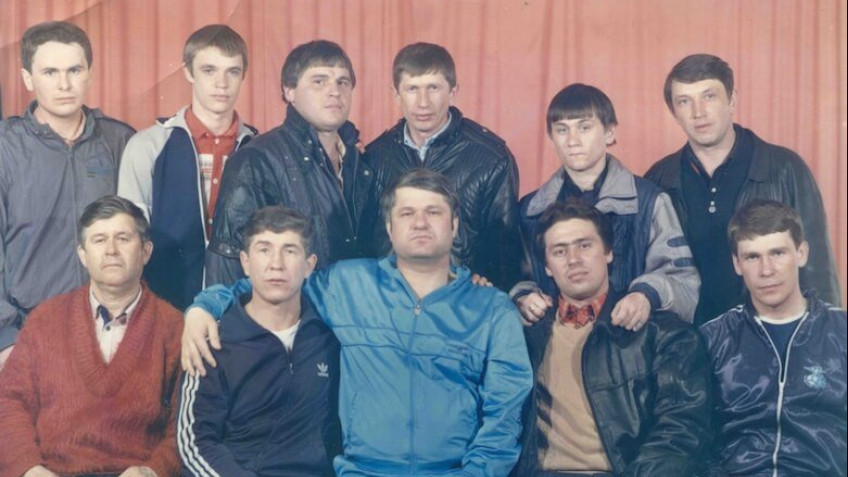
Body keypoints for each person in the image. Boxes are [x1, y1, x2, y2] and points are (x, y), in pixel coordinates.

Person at [184, 169, 533, 476]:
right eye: (407, 212)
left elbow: (506, 414)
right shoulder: (346, 284)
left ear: (454, 225)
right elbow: (275, 284)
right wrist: (204, 307)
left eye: (434, 212)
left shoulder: (492, 309)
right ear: (389, 227)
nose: (420, 223)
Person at [513, 201, 711, 477]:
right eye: (559, 251)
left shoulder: (664, 334)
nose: (573, 259)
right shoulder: (525, 335)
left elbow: (681, 431)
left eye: (584, 245)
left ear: (608, 252)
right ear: (546, 267)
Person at [646, 53, 841, 325]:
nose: (698, 112)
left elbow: (817, 269)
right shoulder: (658, 179)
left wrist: (825, 337)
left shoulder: (786, 169)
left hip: (766, 336)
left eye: (709, 96)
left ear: (732, 100)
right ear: (674, 113)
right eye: (684, 101)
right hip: (686, 339)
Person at [0, 196, 183, 477]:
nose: (111, 250)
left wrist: (153, 470)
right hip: (51, 470)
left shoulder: (174, 328)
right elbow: (9, 402)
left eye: (123, 238)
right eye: (99, 240)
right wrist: (27, 468)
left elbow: (186, 424)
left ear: (146, 251)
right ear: (83, 256)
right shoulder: (45, 321)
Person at [0, 21, 135, 367]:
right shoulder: (5, 149)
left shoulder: (120, 141)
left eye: (74, 70)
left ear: (90, 73)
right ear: (28, 79)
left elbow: (143, 240)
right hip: (27, 337)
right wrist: (6, 339)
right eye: (50, 72)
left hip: (111, 335)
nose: (64, 84)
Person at [514, 83, 699, 332]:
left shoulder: (649, 201)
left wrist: (646, 295)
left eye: (584, 127)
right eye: (562, 130)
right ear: (551, 137)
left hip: (630, 342)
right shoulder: (530, 210)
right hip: (555, 341)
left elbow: (685, 284)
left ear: (610, 133)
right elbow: (514, 278)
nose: (573, 141)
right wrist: (522, 296)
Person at [177, 206, 340, 476]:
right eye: (264, 250)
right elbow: (194, 444)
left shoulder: (327, 337)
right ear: (245, 262)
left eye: (290, 251)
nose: (276, 264)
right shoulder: (214, 340)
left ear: (309, 265)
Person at [204, 39, 374, 287]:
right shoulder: (256, 160)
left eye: (343, 82)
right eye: (319, 81)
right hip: (292, 310)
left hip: (357, 308)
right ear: (289, 91)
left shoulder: (360, 162)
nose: (335, 91)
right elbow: (228, 265)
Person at [700, 200, 846, 476]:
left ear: (801, 253)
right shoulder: (712, 340)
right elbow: (691, 436)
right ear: (737, 264)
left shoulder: (841, 333)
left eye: (777, 253)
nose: (766, 270)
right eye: (752, 257)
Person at [360, 42, 521, 289]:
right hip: (390, 300)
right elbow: (366, 245)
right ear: (396, 94)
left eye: (433, 88)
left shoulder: (491, 158)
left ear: (453, 92)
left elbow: (504, 255)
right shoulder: (375, 156)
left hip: (461, 300)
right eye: (412, 89)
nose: (423, 103)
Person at [118, 25, 255, 311]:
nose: (221, 83)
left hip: (241, 308)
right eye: (209, 70)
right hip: (165, 308)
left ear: (243, 75)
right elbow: (129, 237)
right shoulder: (147, 146)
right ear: (188, 72)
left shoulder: (259, 150)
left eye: (232, 71)